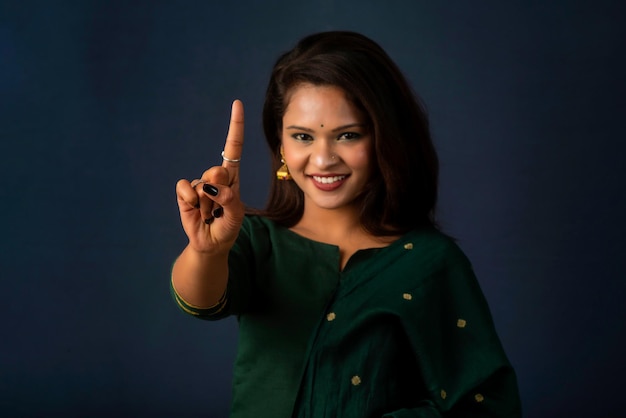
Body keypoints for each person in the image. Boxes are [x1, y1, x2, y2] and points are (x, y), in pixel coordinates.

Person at [171, 30, 522, 418]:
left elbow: (486, 403)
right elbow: (201, 303)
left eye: (348, 135)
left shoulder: (429, 262)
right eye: (303, 136)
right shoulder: (258, 241)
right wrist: (207, 250)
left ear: (384, 140)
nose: (322, 160)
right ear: (281, 146)